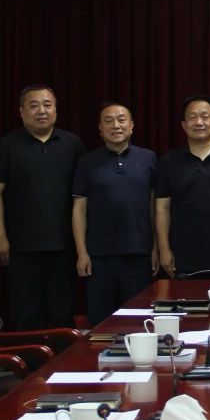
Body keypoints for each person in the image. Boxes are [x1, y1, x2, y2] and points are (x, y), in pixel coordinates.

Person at [0, 84, 85, 328]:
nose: (41, 111)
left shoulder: (72, 144)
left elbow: (82, 198)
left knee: (61, 312)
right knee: (25, 313)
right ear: (21, 112)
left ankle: (61, 353)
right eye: (34, 106)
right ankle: (30, 355)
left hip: (64, 244)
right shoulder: (7, 145)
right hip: (21, 246)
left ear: (56, 110)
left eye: (47, 105)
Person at [72, 102, 158, 325]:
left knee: (138, 321)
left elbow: (154, 208)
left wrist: (156, 248)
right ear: (100, 128)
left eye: (121, 120)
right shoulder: (87, 162)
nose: (116, 125)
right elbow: (79, 208)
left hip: (139, 255)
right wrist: (82, 252)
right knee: (100, 323)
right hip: (99, 257)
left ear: (131, 125)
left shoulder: (148, 158)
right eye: (108, 121)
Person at [155, 95, 210, 278]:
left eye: (205, 116)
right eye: (192, 117)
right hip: (182, 257)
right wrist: (164, 249)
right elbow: (162, 208)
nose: (199, 122)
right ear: (184, 125)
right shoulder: (169, 161)